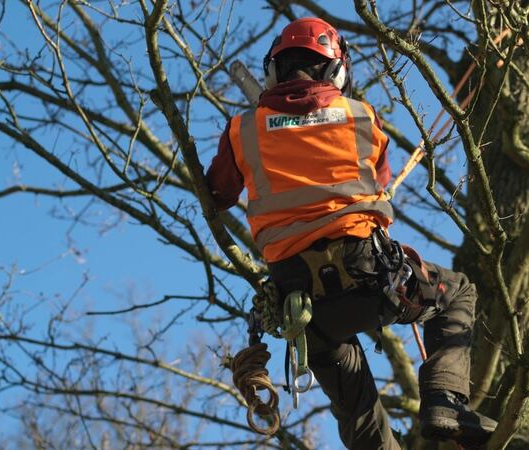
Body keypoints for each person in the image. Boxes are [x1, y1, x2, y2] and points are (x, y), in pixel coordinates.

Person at [206, 17, 497, 449]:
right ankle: (445, 400)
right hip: (370, 275)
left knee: (355, 405)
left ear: (273, 71)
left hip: (302, 303)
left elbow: (220, 192)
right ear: (337, 71)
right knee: (455, 292)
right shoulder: (361, 117)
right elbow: (378, 179)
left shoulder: (242, 130)